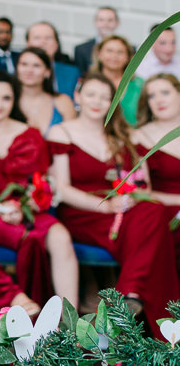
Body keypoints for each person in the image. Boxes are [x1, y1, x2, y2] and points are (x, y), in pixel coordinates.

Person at [47, 73, 178, 333]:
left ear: (113, 103)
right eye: (91, 94)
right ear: (78, 96)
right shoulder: (61, 132)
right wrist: (105, 206)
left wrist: (124, 199)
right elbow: (61, 188)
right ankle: (139, 304)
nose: (98, 101)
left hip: (120, 211)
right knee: (153, 232)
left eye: (106, 97)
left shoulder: (118, 138)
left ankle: (127, 296)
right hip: (81, 211)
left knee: (153, 209)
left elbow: (140, 184)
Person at [0, 71, 76, 312]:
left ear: (14, 101)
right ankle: (14, 300)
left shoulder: (29, 135)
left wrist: (25, 206)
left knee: (60, 236)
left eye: (6, 98)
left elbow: (42, 183)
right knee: (24, 237)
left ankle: (71, 322)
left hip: (24, 208)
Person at [133, 73, 180, 269]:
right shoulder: (139, 136)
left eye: (165, 92)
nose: (159, 100)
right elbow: (142, 192)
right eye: (151, 96)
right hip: (163, 209)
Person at [14, 47, 77, 132]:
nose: (29, 70)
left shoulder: (63, 101)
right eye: (24, 64)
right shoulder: (8, 101)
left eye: (36, 66)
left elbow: (73, 137)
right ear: (17, 68)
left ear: (47, 72)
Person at [93, 34, 144, 124]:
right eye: (109, 51)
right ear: (99, 54)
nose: (114, 56)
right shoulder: (89, 83)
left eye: (120, 52)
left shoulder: (139, 84)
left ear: (128, 57)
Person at [71, 6, 118, 74]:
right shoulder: (81, 50)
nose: (105, 24)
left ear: (117, 23)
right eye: (101, 20)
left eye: (110, 20)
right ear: (95, 22)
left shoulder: (129, 49)